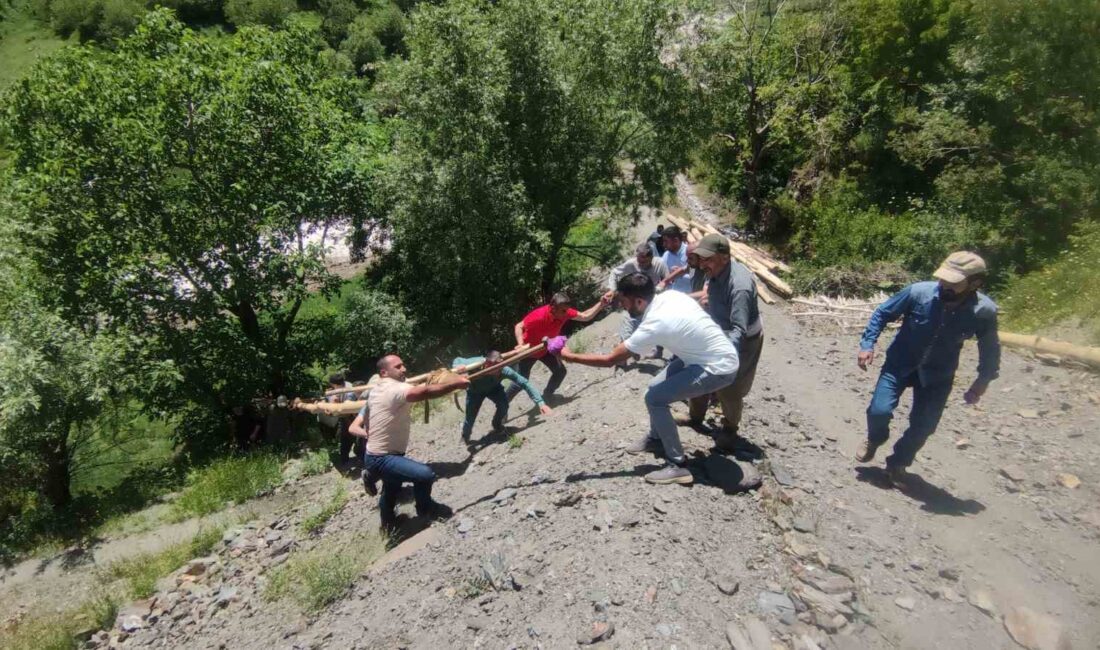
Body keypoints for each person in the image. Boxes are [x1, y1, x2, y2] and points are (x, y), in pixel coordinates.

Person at [558, 273, 740, 485]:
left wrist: (570, 357)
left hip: (718, 367)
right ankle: (657, 439)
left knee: (655, 399)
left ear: (639, 300)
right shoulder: (670, 295)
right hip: (704, 355)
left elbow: (610, 360)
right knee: (654, 387)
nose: (623, 307)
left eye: (624, 302)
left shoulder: (654, 323)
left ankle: (678, 464)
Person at [856, 251, 1001, 486]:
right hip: (899, 364)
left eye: (953, 283)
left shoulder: (984, 312)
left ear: (975, 283)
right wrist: (867, 344)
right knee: (878, 411)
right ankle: (875, 439)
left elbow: (990, 348)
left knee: (924, 426)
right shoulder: (918, 292)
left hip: (938, 375)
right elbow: (883, 313)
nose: (944, 285)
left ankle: (898, 463)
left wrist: (983, 380)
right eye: (942, 279)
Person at [349, 354, 470, 531]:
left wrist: (452, 376)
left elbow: (423, 385)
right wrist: (456, 383)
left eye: (403, 365)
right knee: (425, 475)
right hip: (383, 457)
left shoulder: (378, 390)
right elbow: (424, 392)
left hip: (376, 455)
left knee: (391, 488)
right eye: (398, 367)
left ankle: (388, 523)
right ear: (384, 372)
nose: (404, 369)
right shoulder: (394, 388)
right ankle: (426, 509)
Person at [686, 234, 764, 448]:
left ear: (725, 258)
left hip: (743, 339)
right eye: (700, 259)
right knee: (699, 373)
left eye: (707, 259)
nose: (702, 264)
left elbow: (738, 329)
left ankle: (730, 429)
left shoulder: (740, 286)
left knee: (729, 386)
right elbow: (711, 293)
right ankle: (695, 417)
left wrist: (724, 359)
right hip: (718, 331)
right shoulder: (714, 270)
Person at [507, 292, 609, 401]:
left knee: (560, 372)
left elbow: (585, 316)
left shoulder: (565, 312)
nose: (566, 313)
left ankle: (547, 396)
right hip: (528, 352)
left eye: (567, 310)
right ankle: (503, 407)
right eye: (563, 311)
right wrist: (521, 344)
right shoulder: (538, 316)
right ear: (553, 308)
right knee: (519, 383)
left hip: (545, 348)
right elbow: (519, 326)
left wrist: (601, 304)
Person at [452, 350, 552, 441]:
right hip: (475, 392)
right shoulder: (476, 362)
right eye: (491, 366)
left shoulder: (504, 370)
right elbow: (458, 360)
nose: (495, 370)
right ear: (486, 363)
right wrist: (459, 367)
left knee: (504, 405)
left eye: (498, 367)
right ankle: (465, 435)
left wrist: (540, 403)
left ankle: (497, 424)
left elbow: (524, 383)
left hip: (494, 389)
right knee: (470, 417)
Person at [603, 243, 670, 359]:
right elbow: (614, 272)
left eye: (644, 262)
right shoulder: (631, 263)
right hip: (633, 301)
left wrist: (660, 288)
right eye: (639, 261)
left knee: (657, 325)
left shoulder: (659, 263)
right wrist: (612, 289)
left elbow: (667, 279)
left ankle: (658, 350)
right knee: (628, 324)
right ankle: (623, 357)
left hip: (652, 300)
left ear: (651, 258)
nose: (641, 264)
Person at [325, 373, 363, 468]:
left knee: (358, 437)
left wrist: (335, 407)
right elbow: (330, 400)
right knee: (344, 438)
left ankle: (360, 457)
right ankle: (345, 460)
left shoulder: (350, 389)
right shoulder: (335, 389)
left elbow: (348, 408)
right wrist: (331, 403)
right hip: (344, 416)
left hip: (354, 415)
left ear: (334, 384)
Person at [657, 226, 694, 293]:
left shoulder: (690, 253)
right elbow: (662, 276)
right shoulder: (666, 255)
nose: (664, 245)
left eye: (666, 241)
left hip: (689, 297)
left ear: (676, 240)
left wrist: (679, 273)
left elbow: (698, 277)